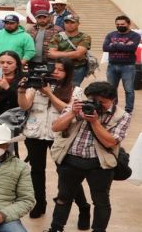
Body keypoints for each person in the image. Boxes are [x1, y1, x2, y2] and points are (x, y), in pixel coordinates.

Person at [46, 82, 132, 232]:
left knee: (101, 201)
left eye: (102, 102)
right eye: (93, 100)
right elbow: (55, 127)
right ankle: (56, 228)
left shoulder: (122, 116)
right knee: (63, 197)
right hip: (70, 160)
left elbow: (110, 142)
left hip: (100, 164)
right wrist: (73, 113)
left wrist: (94, 122)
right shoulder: (78, 107)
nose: (96, 105)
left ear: (113, 99)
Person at [17, 58, 91, 222]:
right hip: (35, 134)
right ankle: (40, 203)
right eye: (53, 69)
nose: (56, 72)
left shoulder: (75, 90)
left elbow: (68, 111)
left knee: (67, 174)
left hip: (60, 137)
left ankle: (83, 206)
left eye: (61, 69)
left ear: (68, 73)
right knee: (36, 171)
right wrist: (22, 91)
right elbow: (24, 106)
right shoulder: (35, 86)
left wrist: (49, 93)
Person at [103, 15, 141, 113]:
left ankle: (128, 110)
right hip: (112, 66)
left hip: (128, 66)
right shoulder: (111, 35)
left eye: (122, 24)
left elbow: (131, 48)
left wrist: (114, 44)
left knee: (129, 90)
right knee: (111, 89)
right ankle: (113, 108)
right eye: (118, 24)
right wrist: (123, 45)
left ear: (129, 24)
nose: (120, 26)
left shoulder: (135, 36)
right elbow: (105, 48)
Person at [47, 14, 91, 86]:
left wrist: (58, 54)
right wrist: (73, 54)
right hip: (60, 68)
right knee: (57, 87)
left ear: (78, 24)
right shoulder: (57, 36)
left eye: (72, 22)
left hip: (77, 68)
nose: (69, 25)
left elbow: (78, 54)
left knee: (74, 89)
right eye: (66, 22)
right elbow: (51, 54)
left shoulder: (84, 37)